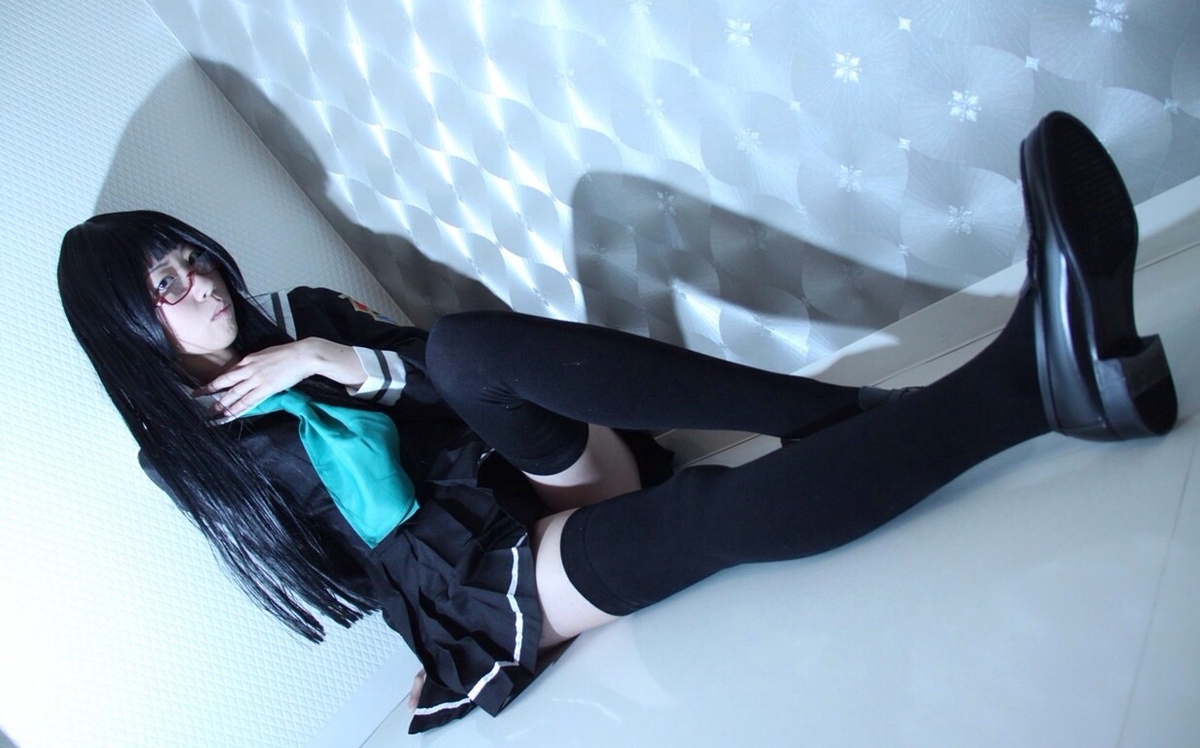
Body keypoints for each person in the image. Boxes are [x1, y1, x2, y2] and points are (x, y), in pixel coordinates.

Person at [57, 111, 1177, 733]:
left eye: (188, 254)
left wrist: (333, 358)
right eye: (162, 286)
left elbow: (450, 385)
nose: (198, 279)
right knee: (701, 518)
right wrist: (432, 651)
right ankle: (1041, 385)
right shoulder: (188, 457)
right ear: (131, 333)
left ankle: (844, 412)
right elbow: (345, 562)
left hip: (532, 472)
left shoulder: (308, 316)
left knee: (465, 348)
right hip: (485, 576)